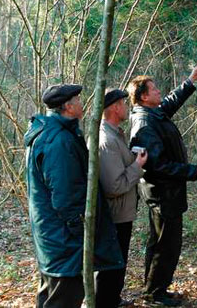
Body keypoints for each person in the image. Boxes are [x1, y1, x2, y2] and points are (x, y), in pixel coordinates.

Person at [24, 84, 124, 308]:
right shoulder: (59, 141)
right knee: (63, 298)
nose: (82, 102)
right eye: (77, 99)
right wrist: (84, 235)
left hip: (56, 239)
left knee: (52, 296)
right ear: (68, 106)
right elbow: (66, 198)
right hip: (63, 243)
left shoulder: (57, 133)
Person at [127, 65, 197, 307]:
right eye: (154, 89)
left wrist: (190, 81)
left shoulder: (152, 114)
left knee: (163, 242)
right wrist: (190, 171)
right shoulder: (144, 123)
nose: (159, 91)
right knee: (165, 245)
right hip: (162, 194)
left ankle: (155, 289)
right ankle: (154, 294)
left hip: (166, 193)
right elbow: (156, 165)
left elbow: (169, 104)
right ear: (143, 97)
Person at [95, 88, 148, 307]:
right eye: (124, 104)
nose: (127, 107)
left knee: (118, 264)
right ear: (115, 107)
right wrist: (137, 165)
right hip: (114, 215)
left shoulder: (116, 133)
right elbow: (114, 185)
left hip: (121, 213)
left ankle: (113, 300)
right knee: (110, 267)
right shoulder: (106, 140)